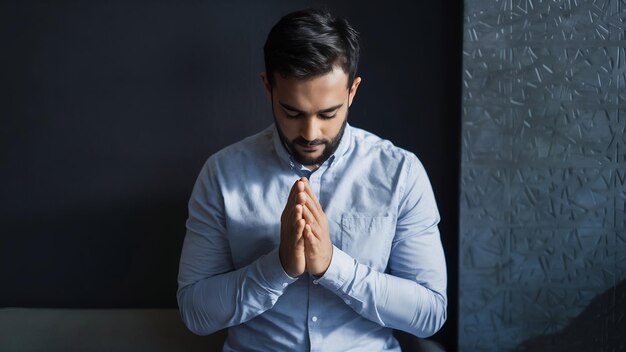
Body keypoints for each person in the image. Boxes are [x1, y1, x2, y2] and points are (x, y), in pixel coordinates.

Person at [177, 8, 447, 351]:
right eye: (292, 112)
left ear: (352, 92)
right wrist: (278, 268)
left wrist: (334, 267)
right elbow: (195, 312)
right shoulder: (222, 174)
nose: (310, 133)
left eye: (328, 113)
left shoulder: (400, 174)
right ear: (268, 87)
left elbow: (430, 313)